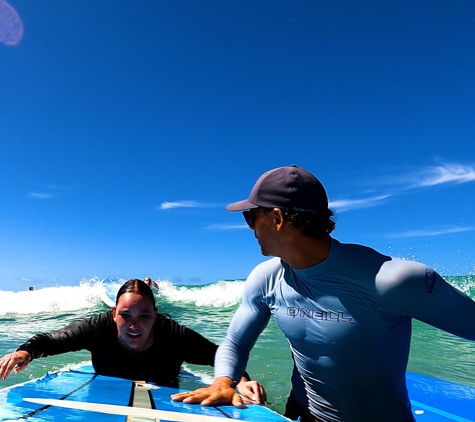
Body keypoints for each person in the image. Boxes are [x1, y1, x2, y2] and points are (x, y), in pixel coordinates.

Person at [172, 165, 475, 422]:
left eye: (251, 217)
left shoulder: (391, 280)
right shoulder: (266, 278)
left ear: (277, 219)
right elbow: (235, 343)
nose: (250, 227)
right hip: (307, 413)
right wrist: (224, 380)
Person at [0, 279, 266, 404]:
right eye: (125, 315)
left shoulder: (173, 335)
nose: (134, 325)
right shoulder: (97, 328)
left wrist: (241, 381)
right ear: (113, 314)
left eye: (144, 316)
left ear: (155, 317)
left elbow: (220, 356)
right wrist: (26, 352)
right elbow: (53, 340)